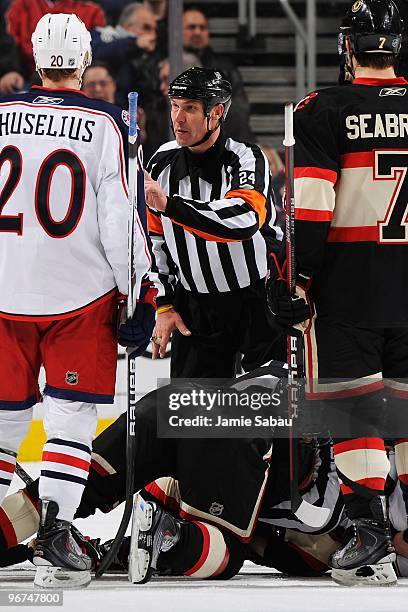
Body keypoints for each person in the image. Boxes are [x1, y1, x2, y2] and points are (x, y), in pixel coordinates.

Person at [0, 12, 150, 588]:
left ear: (33, 59)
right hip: (78, 295)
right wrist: (139, 292)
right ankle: (56, 536)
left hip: (6, 289)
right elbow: (120, 223)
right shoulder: (107, 123)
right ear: (85, 64)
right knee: (69, 422)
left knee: (4, 426)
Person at [267, 0, 408, 587]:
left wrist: (296, 280)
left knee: (355, 406)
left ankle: (372, 529)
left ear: (348, 47)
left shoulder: (322, 109)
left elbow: (311, 205)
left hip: (351, 287)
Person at [142, 67, 284, 378]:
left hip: (257, 304)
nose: (178, 118)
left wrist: (171, 205)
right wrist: (164, 303)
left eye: (190, 108)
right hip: (197, 310)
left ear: (216, 113)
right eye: (175, 105)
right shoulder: (162, 161)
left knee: (263, 415)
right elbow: (157, 240)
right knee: (191, 419)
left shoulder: (247, 158)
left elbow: (244, 219)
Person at [182, 7, 255, 143]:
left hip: (224, 140)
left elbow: (239, 109)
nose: (198, 32)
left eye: (202, 28)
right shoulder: (166, 66)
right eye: (191, 27)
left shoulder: (225, 68)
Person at [6, 0, 106, 81]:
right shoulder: (21, 6)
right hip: (27, 74)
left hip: (77, 79)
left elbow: (93, 52)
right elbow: (11, 45)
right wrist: (11, 71)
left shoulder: (93, 11)